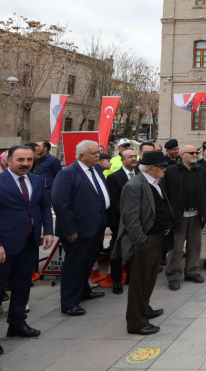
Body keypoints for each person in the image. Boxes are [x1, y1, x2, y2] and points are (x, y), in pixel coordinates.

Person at [0, 145, 53, 355]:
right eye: (20, 160)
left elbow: (44, 206)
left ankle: (17, 324)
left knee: (23, 286)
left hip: (28, 244)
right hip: (0, 248)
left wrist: (48, 231)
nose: (25, 163)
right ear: (8, 161)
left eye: (29, 159)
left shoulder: (36, 180)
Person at [112, 150, 173, 335]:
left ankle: (145, 309)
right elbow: (130, 218)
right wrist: (141, 241)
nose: (164, 169)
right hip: (145, 242)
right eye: (161, 167)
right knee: (139, 282)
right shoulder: (134, 186)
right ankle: (136, 323)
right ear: (150, 168)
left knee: (150, 279)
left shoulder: (153, 182)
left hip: (157, 239)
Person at [52, 140, 110, 316]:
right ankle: (69, 303)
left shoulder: (97, 169)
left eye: (98, 152)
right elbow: (61, 204)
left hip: (96, 226)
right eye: (94, 153)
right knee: (74, 265)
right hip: (77, 230)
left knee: (87, 262)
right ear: (81, 156)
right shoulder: (67, 174)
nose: (98, 156)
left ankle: (84, 290)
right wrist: (69, 230)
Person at [162, 144, 206, 291]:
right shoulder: (171, 171)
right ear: (183, 155)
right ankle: (173, 275)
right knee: (176, 247)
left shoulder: (200, 171)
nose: (195, 155)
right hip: (178, 216)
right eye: (192, 152)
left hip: (196, 214)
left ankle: (191, 272)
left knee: (195, 245)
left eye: (196, 152)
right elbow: (164, 193)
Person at [105, 148, 138, 295]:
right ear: (122, 160)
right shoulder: (114, 177)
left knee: (135, 250)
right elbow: (114, 200)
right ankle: (117, 280)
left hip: (138, 221)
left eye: (134, 156)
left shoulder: (140, 175)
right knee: (118, 251)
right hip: (120, 220)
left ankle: (132, 278)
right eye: (129, 156)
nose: (133, 158)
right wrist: (130, 212)